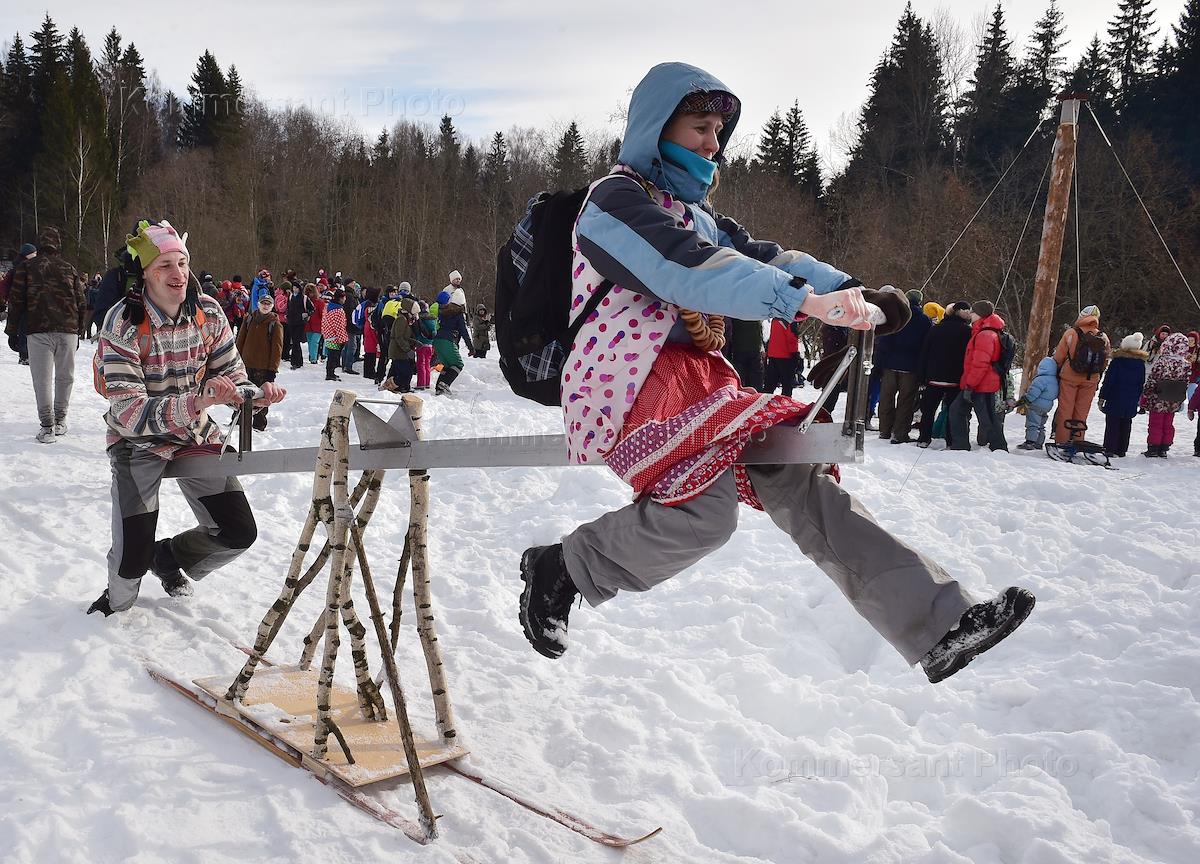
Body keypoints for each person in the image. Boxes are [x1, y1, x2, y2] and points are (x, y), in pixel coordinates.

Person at [516, 62, 1034, 685]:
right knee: (705, 514)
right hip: (626, 383)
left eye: (718, 132)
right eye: (699, 127)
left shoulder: (698, 214)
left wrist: (854, 291)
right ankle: (563, 568)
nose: (713, 144)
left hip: (699, 381)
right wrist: (802, 302)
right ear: (657, 128)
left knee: (799, 476)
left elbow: (770, 259)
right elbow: (684, 266)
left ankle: (935, 622)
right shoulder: (614, 202)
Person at [86, 220, 285, 616]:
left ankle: (167, 558)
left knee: (237, 531)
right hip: (137, 442)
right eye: (164, 265)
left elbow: (233, 376)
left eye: (182, 263)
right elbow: (129, 411)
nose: (177, 273)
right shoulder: (122, 322)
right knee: (132, 556)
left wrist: (254, 396)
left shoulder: (208, 312)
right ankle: (116, 607)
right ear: (145, 273)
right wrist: (196, 402)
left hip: (194, 435)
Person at [3, 227, 85, 442]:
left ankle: (47, 426)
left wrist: (12, 331)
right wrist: (79, 330)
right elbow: (81, 301)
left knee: (42, 380)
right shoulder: (69, 268)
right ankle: (61, 420)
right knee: (65, 378)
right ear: (58, 244)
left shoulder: (26, 267)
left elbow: (16, 301)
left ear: (39, 244)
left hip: (38, 330)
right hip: (67, 330)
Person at [948, 300, 1009, 452]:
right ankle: (961, 445)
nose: (970, 314)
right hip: (980, 382)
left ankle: (999, 447)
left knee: (987, 418)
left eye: (973, 312)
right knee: (959, 410)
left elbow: (980, 363)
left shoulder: (985, 335)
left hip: (982, 384)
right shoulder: (985, 331)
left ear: (980, 314)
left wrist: (970, 384)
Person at [875, 289, 932, 444]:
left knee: (886, 398)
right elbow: (926, 346)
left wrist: (880, 363)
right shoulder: (925, 321)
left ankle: (884, 430)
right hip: (911, 367)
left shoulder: (895, 315)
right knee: (906, 401)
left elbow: (884, 341)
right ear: (920, 302)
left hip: (890, 364)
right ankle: (899, 433)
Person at [915, 301, 972, 448]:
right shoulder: (968, 332)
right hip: (955, 378)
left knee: (928, 411)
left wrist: (921, 376)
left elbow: (924, 353)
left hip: (933, 377)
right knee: (952, 412)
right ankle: (950, 440)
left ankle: (923, 438)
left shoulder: (935, 330)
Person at [1051, 305, 1110, 444]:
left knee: (1066, 409)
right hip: (1091, 379)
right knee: (1082, 411)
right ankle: (1078, 439)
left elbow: (1059, 357)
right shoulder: (1103, 337)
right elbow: (1105, 360)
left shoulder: (1071, 333)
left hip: (1070, 377)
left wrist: (1057, 371)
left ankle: (1062, 440)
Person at [236, 293, 284, 430]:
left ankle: (259, 424)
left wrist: (272, 370)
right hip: (245, 365)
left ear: (272, 306)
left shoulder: (275, 324)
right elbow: (240, 340)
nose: (265, 306)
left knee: (262, 395)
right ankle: (238, 421)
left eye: (268, 304)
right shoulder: (249, 319)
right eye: (263, 303)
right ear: (258, 304)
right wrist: (235, 360)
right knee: (241, 393)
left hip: (263, 367)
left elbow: (277, 349)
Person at [1139, 332, 1190, 457]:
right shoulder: (1185, 364)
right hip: (1174, 398)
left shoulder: (1163, 361)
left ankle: (1153, 448)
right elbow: (1186, 382)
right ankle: (1164, 447)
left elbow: (1153, 378)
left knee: (1156, 422)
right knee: (1168, 423)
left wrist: (1146, 393)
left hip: (1158, 397)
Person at [1098, 332, 1147, 458]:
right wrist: (1138, 398)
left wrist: (1102, 397)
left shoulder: (1117, 362)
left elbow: (1109, 381)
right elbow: (1141, 383)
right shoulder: (1140, 364)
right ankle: (1122, 449)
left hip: (1115, 397)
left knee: (1112, 423)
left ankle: (1109, 447)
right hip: (1131, 398)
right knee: (1126, 423)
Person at [432, 288, 474, 395]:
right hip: (447, 341)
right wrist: (471, 347)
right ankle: (445, 384)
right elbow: (464, 332)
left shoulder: (443, 311)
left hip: (436, 340)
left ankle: (439, 388)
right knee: (458, 364)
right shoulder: (458, 314)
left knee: (447, 365)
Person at [2, 243, 37, 365]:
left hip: (21, 302)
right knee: (23, 328)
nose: (35, 255)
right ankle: (24, 354)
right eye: (33, 254)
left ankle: (23, 351)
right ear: (27, 254)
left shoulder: (22, 266)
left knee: (20, 327)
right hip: (22, 302)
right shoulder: (22, 268)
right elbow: (6, 285)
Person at [1013, 357, 1058, 450]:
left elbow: (1033, 393)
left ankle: (1030, 442)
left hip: (1036, 405)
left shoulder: (1040, 380)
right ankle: (1039, 442)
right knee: (1041, 424)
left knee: (1032, 423)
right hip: (1047, 406)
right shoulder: (1055, 381)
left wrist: (1025, 400)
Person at [763, 317, 803, 397]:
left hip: (773, 354)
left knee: (770, 383)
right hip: (786, 356)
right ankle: (785, 401)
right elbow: (792, 338)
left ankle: (764, 401)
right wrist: (795, 354)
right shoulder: (790, 320)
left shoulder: (775, 319)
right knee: (787, 385)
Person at [322, 287, 349, 381]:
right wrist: (343, 339)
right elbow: (339, 327)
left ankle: (330, 373)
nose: (345, 299)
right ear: (340, 298)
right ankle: (330, 374)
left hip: (328, 335)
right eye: (344, 298)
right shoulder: (338, 311)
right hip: (335, 337)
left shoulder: (328, 307)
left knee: (331, 356)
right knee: (334, 356)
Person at [285, 279, 312, 370]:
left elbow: (312, 308)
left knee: (296, 342)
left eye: (296, 288)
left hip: (300, 322)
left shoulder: (304, 298)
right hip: (291, 322)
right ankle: (297, 361)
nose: (295, 289)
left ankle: (295, 362)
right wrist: (287, 315)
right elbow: (288, 307)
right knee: (294, 342)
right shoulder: (290, 296)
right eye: (293, 288)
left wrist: (307, 313)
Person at [303, 283, 325, 364]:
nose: (310, 294)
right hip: (308, 325)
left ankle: (313, 358)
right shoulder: (305, 301)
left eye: (311, 292)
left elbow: (323, 314)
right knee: (310, 342)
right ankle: (312, 356)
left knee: (314, 342)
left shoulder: (320, 302)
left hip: (318, 326)